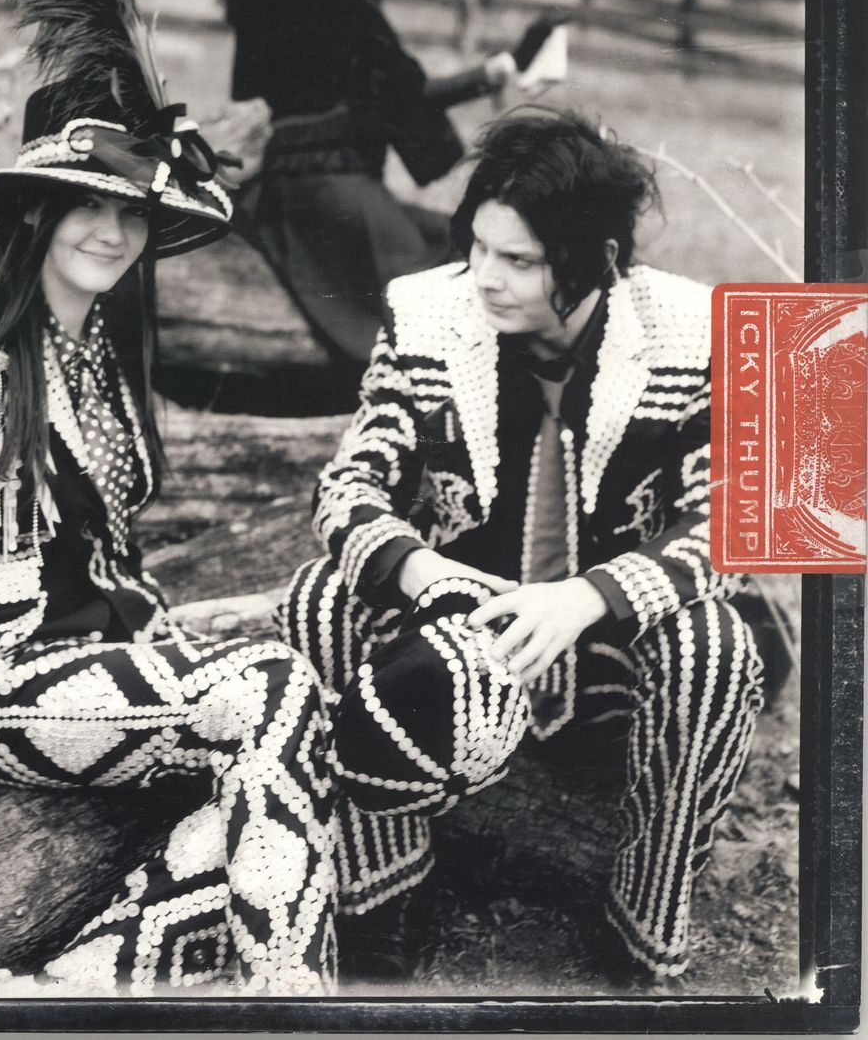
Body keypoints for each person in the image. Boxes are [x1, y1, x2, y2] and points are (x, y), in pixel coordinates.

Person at [0, 0, 337, 996]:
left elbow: (108, 548)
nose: (112, 232)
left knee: (270, 759)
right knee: (273, 692)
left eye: (134, 214)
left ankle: (68, 988)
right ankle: (296, 1002)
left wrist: (159, 636)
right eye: (85, 205)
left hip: (95, 663)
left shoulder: (106, 347)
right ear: (35, 207)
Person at [279, 109, 768, 983]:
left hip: (610, 651)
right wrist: (421, 570)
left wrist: (588, 597)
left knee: (715, 644)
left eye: (519, 259)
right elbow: (348, 485)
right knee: (321, 594)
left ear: (597, 260)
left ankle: (645, 920)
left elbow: (735, 521)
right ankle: (382, 890)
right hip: (457, 641)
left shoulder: (695, 331)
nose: (484, 276)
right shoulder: (425, 314)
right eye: (477, 245)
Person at [226, 0, 565, 381]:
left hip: (277, 197)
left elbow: (259, 98)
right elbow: (405, 99)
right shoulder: (347, 10)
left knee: (451, 248)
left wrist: (494, 71)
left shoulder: (256, 3)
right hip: (338, 197)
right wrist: (497, 71)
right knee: (439, 289)